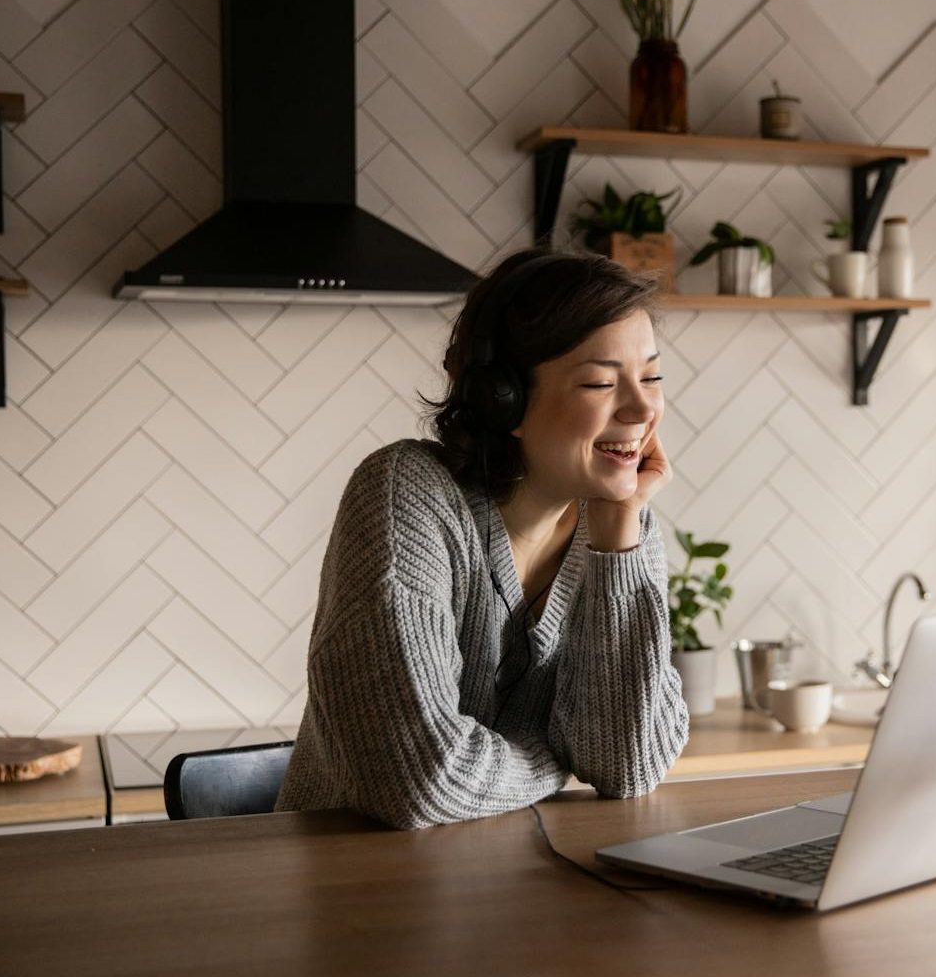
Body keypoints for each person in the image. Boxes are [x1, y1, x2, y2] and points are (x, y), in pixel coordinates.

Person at [275, 249, 689, 829]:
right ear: (505, 400)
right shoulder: (406, 495)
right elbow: (421, 780)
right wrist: (554, 757)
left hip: (513, 889)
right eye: (600, 382)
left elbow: (627, 766)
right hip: (356, 893)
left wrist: (619, 543)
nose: (643, 408)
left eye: (651, 376)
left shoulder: (623, 529)